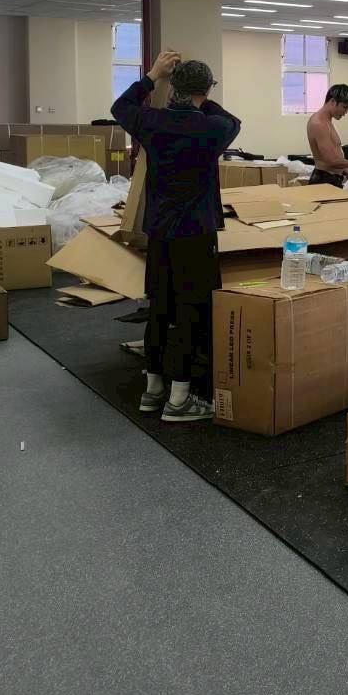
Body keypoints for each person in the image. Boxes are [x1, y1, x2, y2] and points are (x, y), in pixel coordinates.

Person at [112, 51, 241, 421]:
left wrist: (153, 76)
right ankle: (180, 400)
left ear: (174, 88)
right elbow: (232, 120)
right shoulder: (213, 128)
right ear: (207, 89)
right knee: (191, 312)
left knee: (159, 308)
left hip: (160, 233)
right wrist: (199, 95)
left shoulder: (152, 121)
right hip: (196, 234)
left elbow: (120, 106)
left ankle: (153, 391)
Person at [307, 83, 348, 187]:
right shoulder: (319, 124)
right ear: (333, 101)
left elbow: (330, 157)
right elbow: (331, 161)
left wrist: (343, 169)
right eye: (344, 107)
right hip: (324, 181)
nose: (345, 112)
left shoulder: (327, 122)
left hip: (330, 178)